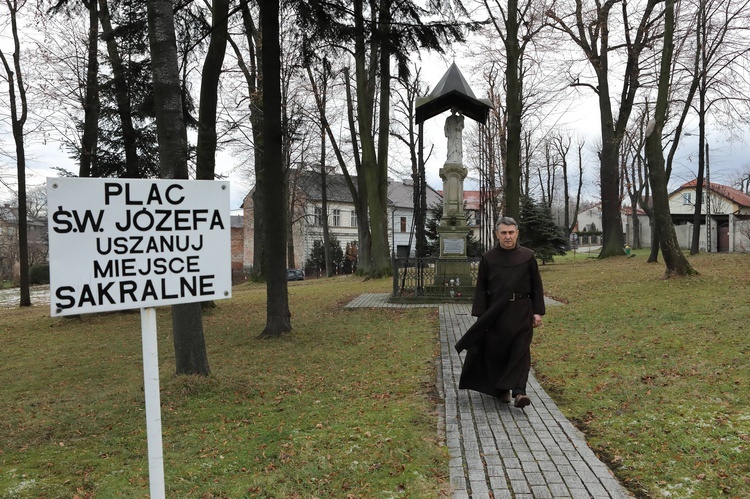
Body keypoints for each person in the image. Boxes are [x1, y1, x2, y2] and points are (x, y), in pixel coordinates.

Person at [455, 216, 545, 408]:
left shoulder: (528, 256)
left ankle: (520, 392)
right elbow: (481, 287)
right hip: (497, 314)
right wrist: (482, 318)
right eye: (503, 233)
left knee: (520, 351)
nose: (507, 236)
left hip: (522, 310)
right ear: (497, 234)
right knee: (498, 352)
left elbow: (536, 285)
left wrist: (537, 312)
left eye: (511, 232)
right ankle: (501, 389)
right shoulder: (489, 258)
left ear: (517, 233)